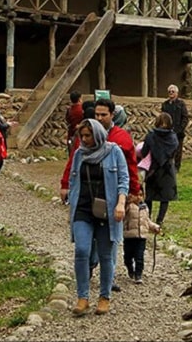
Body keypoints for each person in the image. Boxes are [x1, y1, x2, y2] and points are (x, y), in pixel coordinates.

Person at [60, 98, 140, 292]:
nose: (100, 118)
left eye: (104, 114)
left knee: (109, 242)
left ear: (112, 115)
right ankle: (87, 271)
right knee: (85, 242)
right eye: (97, 114)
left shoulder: (121, 138)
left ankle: (108, 278)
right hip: (87, 199)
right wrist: (65, 185)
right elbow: (74, 162)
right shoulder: (85, 136)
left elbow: (129, 167)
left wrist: (133, 192)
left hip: (112, 199)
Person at [67, 119, 128, 317]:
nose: (84, 140)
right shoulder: (79, 154)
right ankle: (82, 297)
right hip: (83, 208)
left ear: (98, 134)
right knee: (82, 250)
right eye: (82, 136)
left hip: (106, 210)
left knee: (105, 255)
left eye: (88, 135)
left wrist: (120, 203)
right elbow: (72, 178)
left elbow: (123, 180)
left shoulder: (114, 152)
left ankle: (104, 296)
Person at [141, 112, 179, 225]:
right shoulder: (172, 137)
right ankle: (160, 220)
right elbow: (174, 151)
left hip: (153, 169)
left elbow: (144, 152)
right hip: (167, 170)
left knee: (149, 196)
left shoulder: (150, 136)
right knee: (165, 197)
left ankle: (148, 218)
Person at [122, 192, 161, 284]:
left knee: (139, 256)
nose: (138, 197)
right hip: (129, 236)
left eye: (141, 195)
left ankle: (138, 274)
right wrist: (127, 201)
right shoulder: (128, 206)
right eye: (136, 195)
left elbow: (147, 221)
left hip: (141, 237)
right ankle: (130, 268)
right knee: (128, 256)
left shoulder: (144, 207)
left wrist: (155, 227)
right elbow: (123, 214)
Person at [161, 84, 188, 171]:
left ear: (177, 93)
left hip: (178, 132)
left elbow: (185, 117)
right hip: (167, 131)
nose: (171, 93)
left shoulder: (181, 104)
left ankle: (176, 167)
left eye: (173, 91)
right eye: (169, 92)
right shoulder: (165, 104)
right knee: (167, 149)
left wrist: (180, 129)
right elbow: (163, 117)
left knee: (178, 151)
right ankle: (167, 166)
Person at [65, 91, 84, 156]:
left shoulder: (69, 110)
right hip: (80, 134)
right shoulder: (82, 109)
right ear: (79, 99)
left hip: (71, 134)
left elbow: (67, 120)